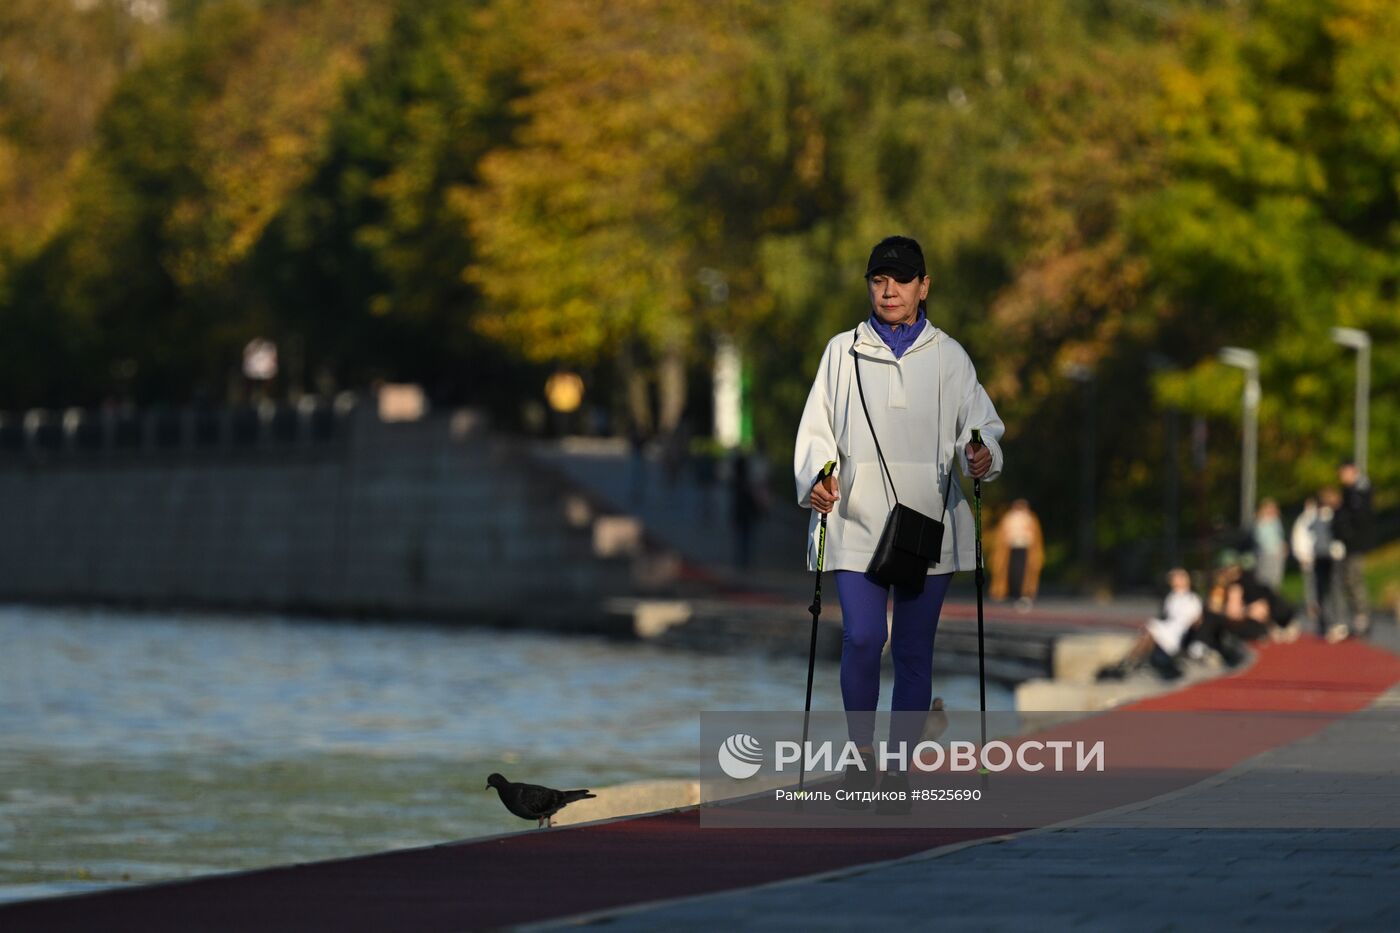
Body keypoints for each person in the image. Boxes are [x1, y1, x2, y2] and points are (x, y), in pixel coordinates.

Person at [794, 235, 1004, 812]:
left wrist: (981, 456)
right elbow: (815, 431)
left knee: (914, 652)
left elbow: (981, 429)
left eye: (902, 279)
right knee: (864, 637)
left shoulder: (951, 356)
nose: (889, 290)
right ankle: (861, 760)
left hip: (928, 522)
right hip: (855, 519)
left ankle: (898, 772)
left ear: (924, 286)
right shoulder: (843, 352)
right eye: (879, 279)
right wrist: (816, 473)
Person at [1097, 568, 1200, 681]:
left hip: (1177, 633)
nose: (1174, 581)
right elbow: (1166, 616)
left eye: (1178, 578)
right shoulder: (1171, 597)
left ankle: (1127, 663)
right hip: (1167, 629)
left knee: (1150, 630)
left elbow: (1194, 622)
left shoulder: (1193, 599)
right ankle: (1128, 663)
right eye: (1173, 578)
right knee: (1148, 632)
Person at [1333, 461, 1374, 637]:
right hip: (1347, 544)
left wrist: (1345, 532)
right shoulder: (1349, 492)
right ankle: (1357, 617)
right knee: (1347, 581)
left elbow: (1358, 518)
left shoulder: (1360, 491)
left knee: (1354, 579)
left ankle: (1362, 617)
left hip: (1355, 544)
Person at [990, 499, 1044, 610]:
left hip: (1025, 549)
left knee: (1024, 572)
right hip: (1010, 549)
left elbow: (1036, 536)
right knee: (1011, 571)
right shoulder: (1009, 517)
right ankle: (1009, 593)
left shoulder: (1030, 518)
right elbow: (1002, 535)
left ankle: (1024, 594)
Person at [1290, 497, 1319, 630]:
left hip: (1319, 556)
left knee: (1318, 582)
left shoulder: (1319, 516)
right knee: (1309, 582)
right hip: (1307, 556)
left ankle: (1318, 605)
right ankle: (1311, 606)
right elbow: (1298, 539)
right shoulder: (1302, 521)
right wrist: (1301, 555)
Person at [1252, 498, 1287, 591]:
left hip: (1277, 553)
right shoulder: (1260, 522)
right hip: (1265, 553)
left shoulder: (1276, 521)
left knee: (1275, 578)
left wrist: (1282, 546)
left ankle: (1273, 596)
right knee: (1264, 577)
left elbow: (1280, 536)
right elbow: (1260, 538)